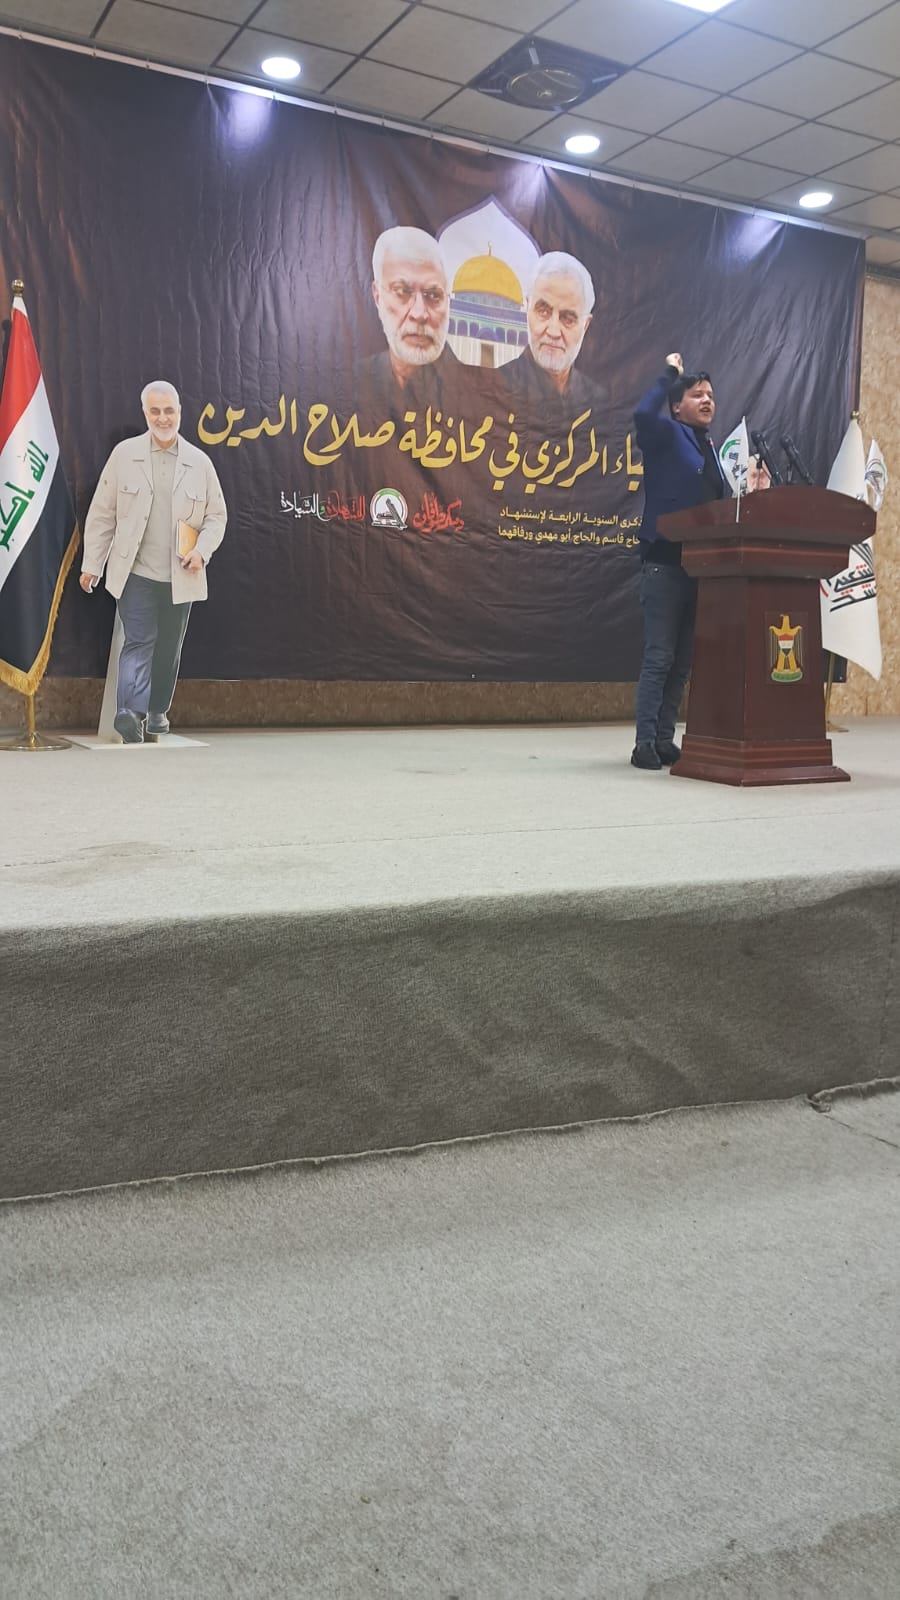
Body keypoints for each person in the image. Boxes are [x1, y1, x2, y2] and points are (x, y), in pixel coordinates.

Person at [80, 381, 227, 743]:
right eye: (155, 411)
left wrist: (202, 551)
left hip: (181, 574)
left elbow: (216, 516)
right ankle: (130, 713)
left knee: (168, 648)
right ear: (145, 413)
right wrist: (92, 564)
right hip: (135, 571)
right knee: (139, 640)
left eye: (169, 411)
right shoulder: (124, 455)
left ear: (180, 412)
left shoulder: (199, 463)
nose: (163, 418)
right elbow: (102, 513)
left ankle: (157, 709)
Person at [631, 354, 726, 771]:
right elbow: (641, 413)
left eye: (710, 395)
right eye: (697, 394)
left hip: (700, 567)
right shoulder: (667, 433)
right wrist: (669, 373)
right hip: (665, 563)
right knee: (660, 657)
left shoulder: (710, 447)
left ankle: (664, 739)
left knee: (682, 663)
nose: (707, 401)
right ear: (676, 405)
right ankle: (643, 743)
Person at [361, 225, 470, 418]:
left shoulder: (482, 392)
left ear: (449, 301)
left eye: (433, 295)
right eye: (402, 291)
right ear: (377, 296)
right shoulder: (348, 385)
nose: (420, 313)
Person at [499, 251, 602, 421]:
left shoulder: (600, 406)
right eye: (543, 311)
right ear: (527, 309)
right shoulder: (493, 389)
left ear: (585, 325)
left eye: (568, 319)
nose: (553, 332)